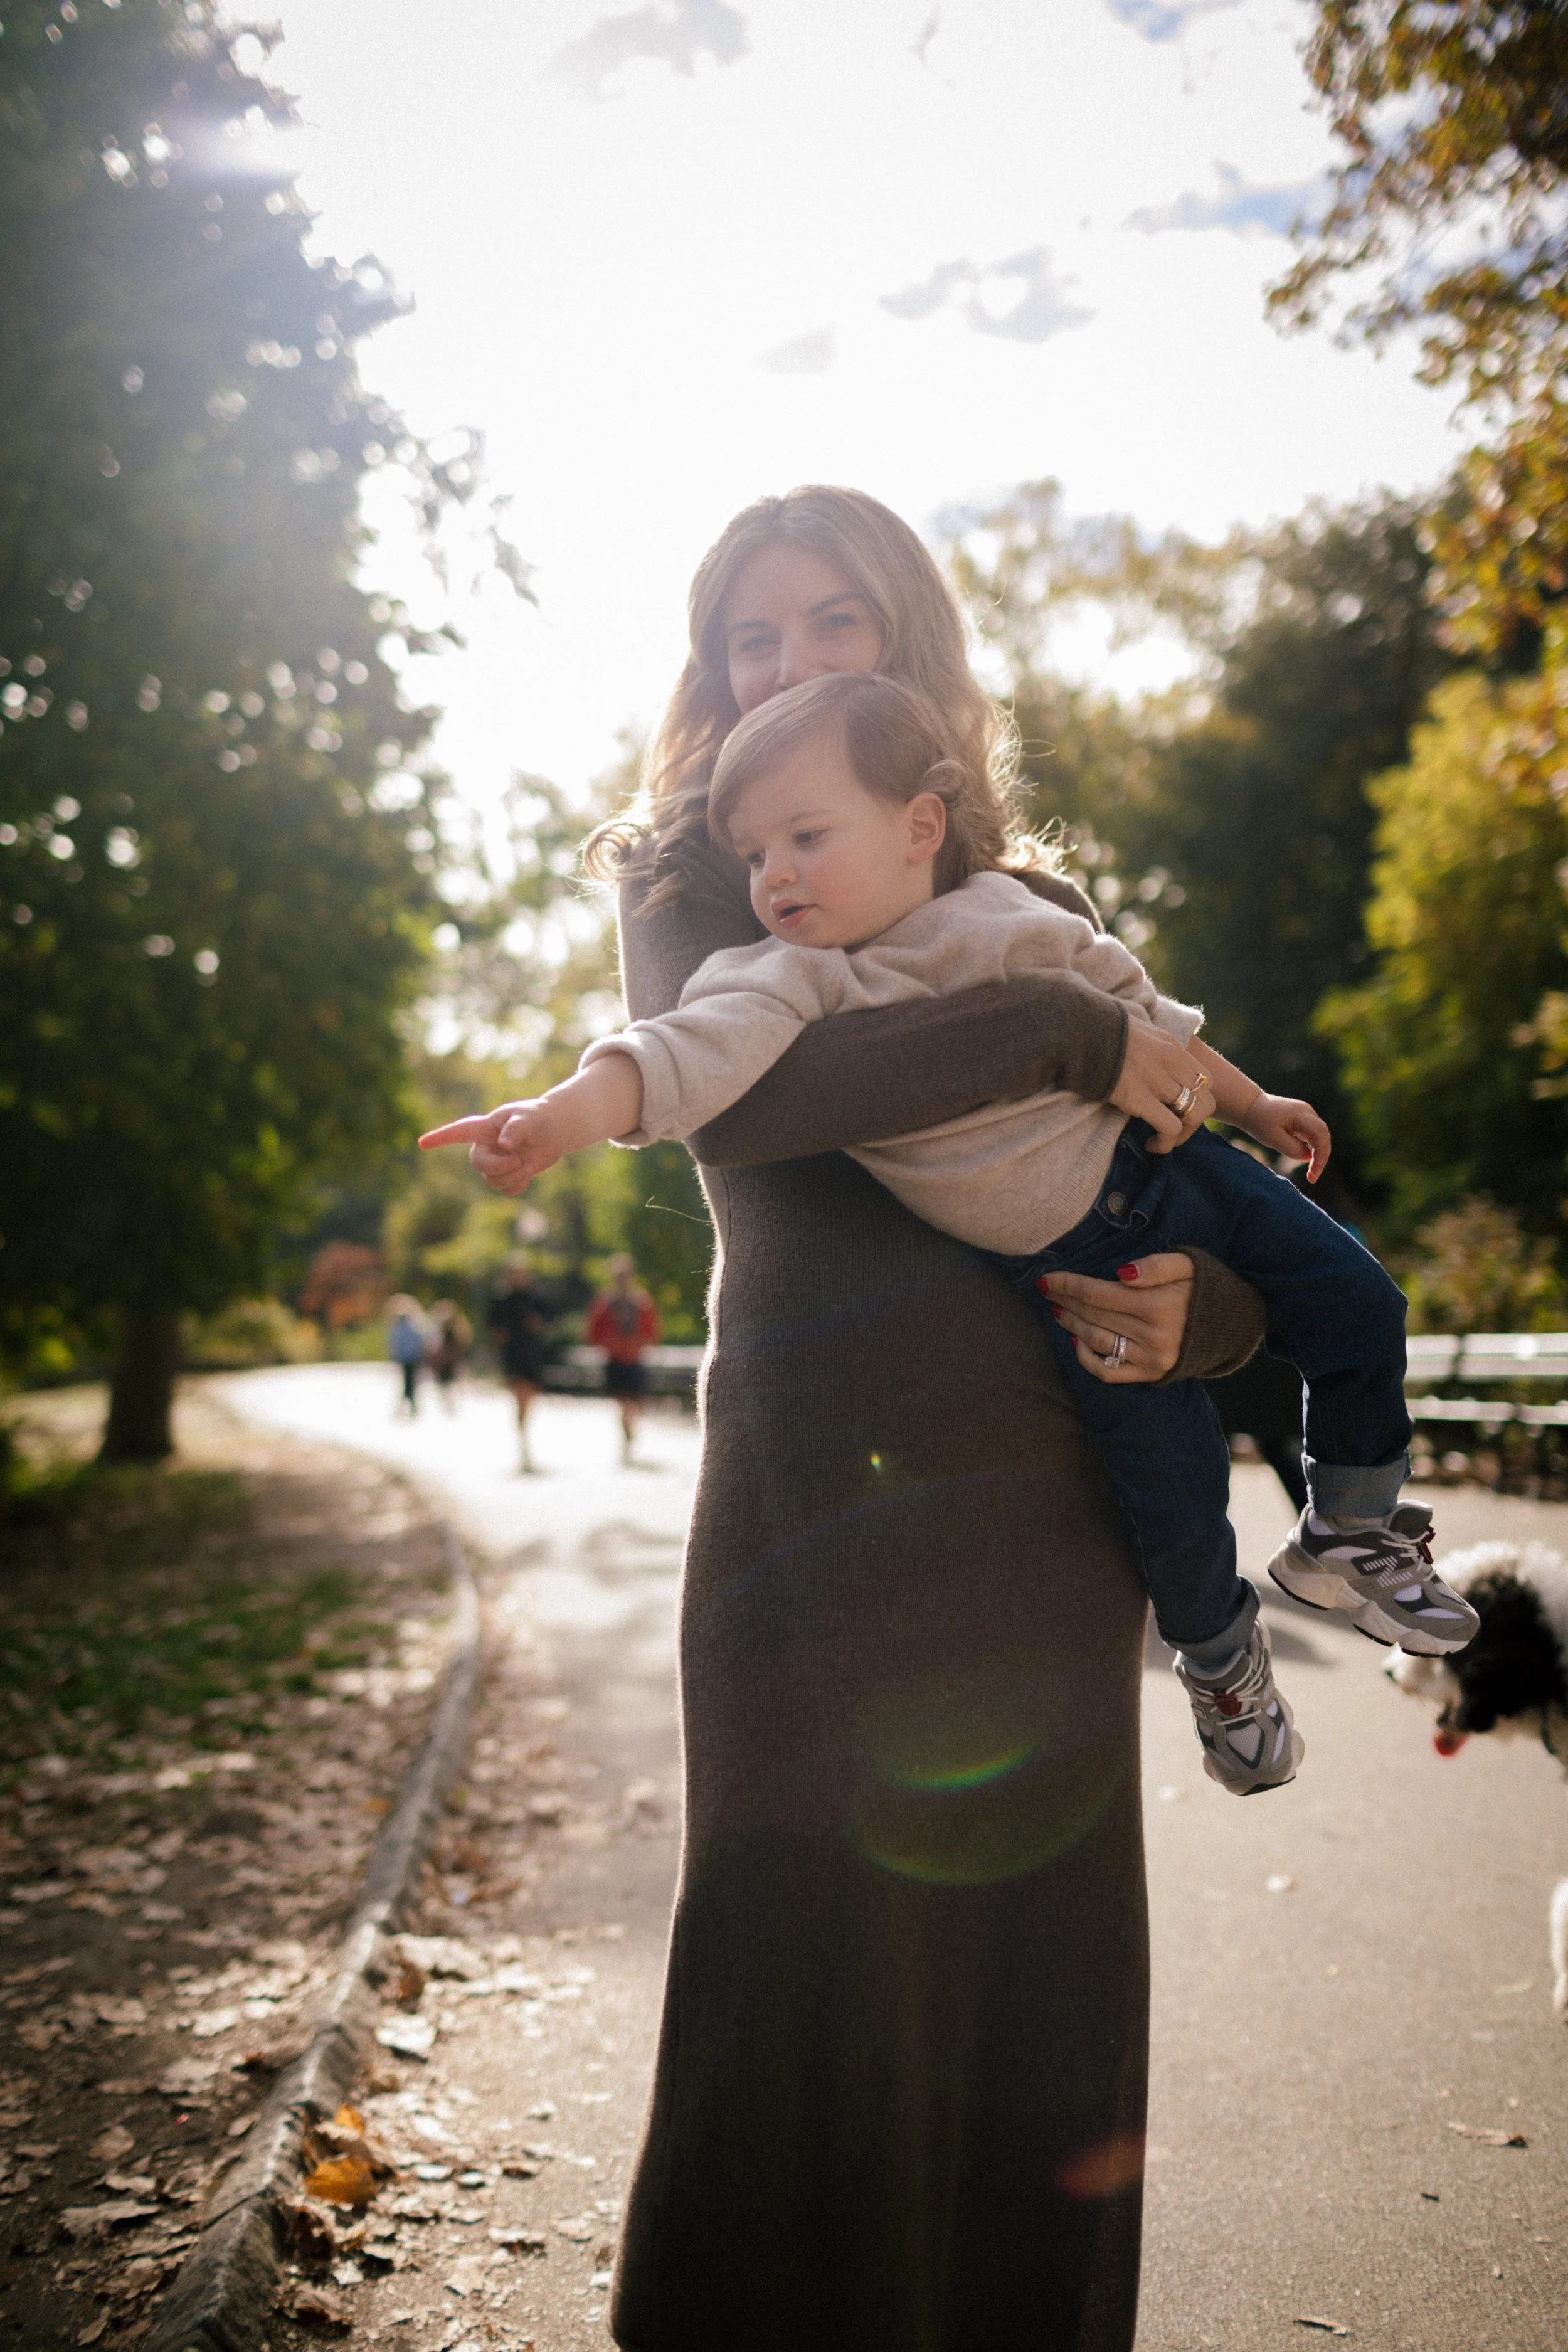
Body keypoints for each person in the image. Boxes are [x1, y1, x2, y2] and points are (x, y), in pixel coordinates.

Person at [422, 485, 1272, 2352]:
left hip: (1037, 1518)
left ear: (909, 653)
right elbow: (760, 1101)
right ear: (705, 666)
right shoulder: (688, 883)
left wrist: (1200, 1315)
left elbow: (1183, 1182)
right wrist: (1056, 1034)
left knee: (1026, 1992)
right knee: (781, 1949)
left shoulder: (1034, 910)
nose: (788, 661)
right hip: (800, 1509)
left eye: (833, 623)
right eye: (750, 633)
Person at [452, 669, 1478, 1793]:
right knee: (1175, 1491)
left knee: (1362, 1300)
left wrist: (1254, 1106)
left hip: (1187, 1170)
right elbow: (675, 1057)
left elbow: (1148, 1019)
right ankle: (1223, 1660)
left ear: (918, 826)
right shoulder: (797, 980)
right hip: (1081, 1266)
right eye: (754, 856)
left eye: (805, 835)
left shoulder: (1014, 912)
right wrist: (553, 1118)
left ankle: (1353, 1527)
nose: (775, 873)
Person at [586, 1254, 662, 1465]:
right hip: (616, 1360)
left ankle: (629, 1434)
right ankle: (627, 1438)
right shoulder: (605, 1303)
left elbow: (652, 1334)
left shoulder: (642, 1302)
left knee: (635, 1403)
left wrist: (639, 1344)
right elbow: (593, 1333)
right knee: (623, 1403)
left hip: (635, 1359)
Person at [487, 1258, 547, 1475]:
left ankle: (524, 1425)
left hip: (532, 1354)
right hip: (513, 1355)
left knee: (530, 1395)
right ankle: (522, 1433)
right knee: (520, 1393)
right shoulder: (502, 1300)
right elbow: (494, 1328)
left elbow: (548, 1319)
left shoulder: (535, 1298)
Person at [385, 1295, 427, 1417]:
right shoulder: (409, 1327)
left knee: (409, 1383)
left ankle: (407, 1407)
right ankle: (412, 1406)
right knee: (410, 1383)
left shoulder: (403, 1327)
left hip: (410, 1359)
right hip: (409, 1359)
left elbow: (397, 1344)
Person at [427, 1299, 472, 1414]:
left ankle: (451, 1402)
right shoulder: (438, 1327)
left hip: (451, 1359)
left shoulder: (457, 1326)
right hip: (444, 1360)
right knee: (445, 1382)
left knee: (450, 1382)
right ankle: (449, 1402)